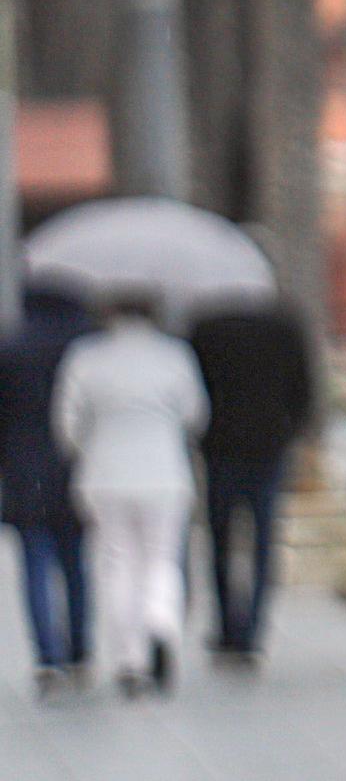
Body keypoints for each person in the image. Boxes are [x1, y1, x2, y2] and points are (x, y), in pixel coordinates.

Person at [53, 288, 208, 697]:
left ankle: (130, 660)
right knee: (162, 558)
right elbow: (195, 415)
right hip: (164, 473)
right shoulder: (175, 355)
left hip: (105, 474)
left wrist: (88, 446)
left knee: (117, 562)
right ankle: (161, 621)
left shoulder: (85, 356)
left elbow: (67, 424)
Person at [188, 297, 317, 664]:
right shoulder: (284, 329)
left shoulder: (205, 330)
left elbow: (194, 392)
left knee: (220, 540)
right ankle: (253, 629)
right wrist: (290, 430)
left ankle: (227, 624)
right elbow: (303, 388)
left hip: (221, 448)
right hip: (269, 445)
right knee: (262, 540)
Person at [0, 277, 97, 695]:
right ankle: (79, 649)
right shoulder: (88, 347)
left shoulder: (12, 347)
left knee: (35, 562)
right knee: (76, 562)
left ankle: (48, 655)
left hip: (24, 470)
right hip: (79, 468)